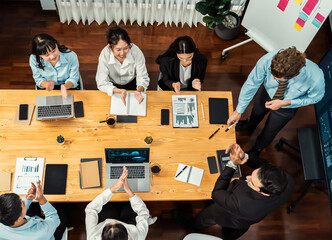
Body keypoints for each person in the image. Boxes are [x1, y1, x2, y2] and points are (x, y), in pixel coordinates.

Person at [173, 143, 294, 240]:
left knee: (205, 218)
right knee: (230, 233)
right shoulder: (286, 180)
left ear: (265, 192)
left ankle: (191, 225)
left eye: (252, 182)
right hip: (249, 217)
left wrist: (232, 164)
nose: (247, 178)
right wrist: (245, 156)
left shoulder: (242, 203)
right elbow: (266, 165)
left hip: (230, 215)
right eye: (252, 175)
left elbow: (216, 193)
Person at [227, 47, 325, 155]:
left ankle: (258, 148)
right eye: (272, 74)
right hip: (267, 92)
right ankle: (250, 125)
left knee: (269, 131)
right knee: (257, 111)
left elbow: (316, 98)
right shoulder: (269, 59)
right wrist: (238, 111)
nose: (272, 79)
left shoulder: (315, 78)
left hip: (287, 106)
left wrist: (286, 102)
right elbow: (252, 83)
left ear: (294, 75)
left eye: (278, 79)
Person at [85, 166, 155, 240]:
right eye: (118, 225)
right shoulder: (138, 237)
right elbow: (143, 212)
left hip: (105, 218)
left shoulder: (93, 238)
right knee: (130, 204)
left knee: (114, 201)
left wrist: (114, 188)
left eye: (108, 226)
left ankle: (144, 223)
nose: (114, 221)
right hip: (129, 223)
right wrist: (128, 190)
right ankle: (144, 223)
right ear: (126, 235)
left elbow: (91, 209)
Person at [96, 26, 150, 106]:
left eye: (126, 48)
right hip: (113, 86)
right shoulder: (104, 55)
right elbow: (101, 82)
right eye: (118, 50)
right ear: (110, 47)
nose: (122, 53)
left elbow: (142, 77)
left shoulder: (136, 52)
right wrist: (118, 91)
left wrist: (139, 90)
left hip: (133, 83)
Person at [29, 33, 80, 98]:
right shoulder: (34, 59)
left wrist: (65, 87)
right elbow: (38, 79)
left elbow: (73, 78)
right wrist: (48, 85)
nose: (52, 56)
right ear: (39, 55)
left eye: (54, 51)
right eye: (47, 55)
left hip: (68, 86)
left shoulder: (71, 56)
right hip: (47, 87)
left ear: (56, 44)